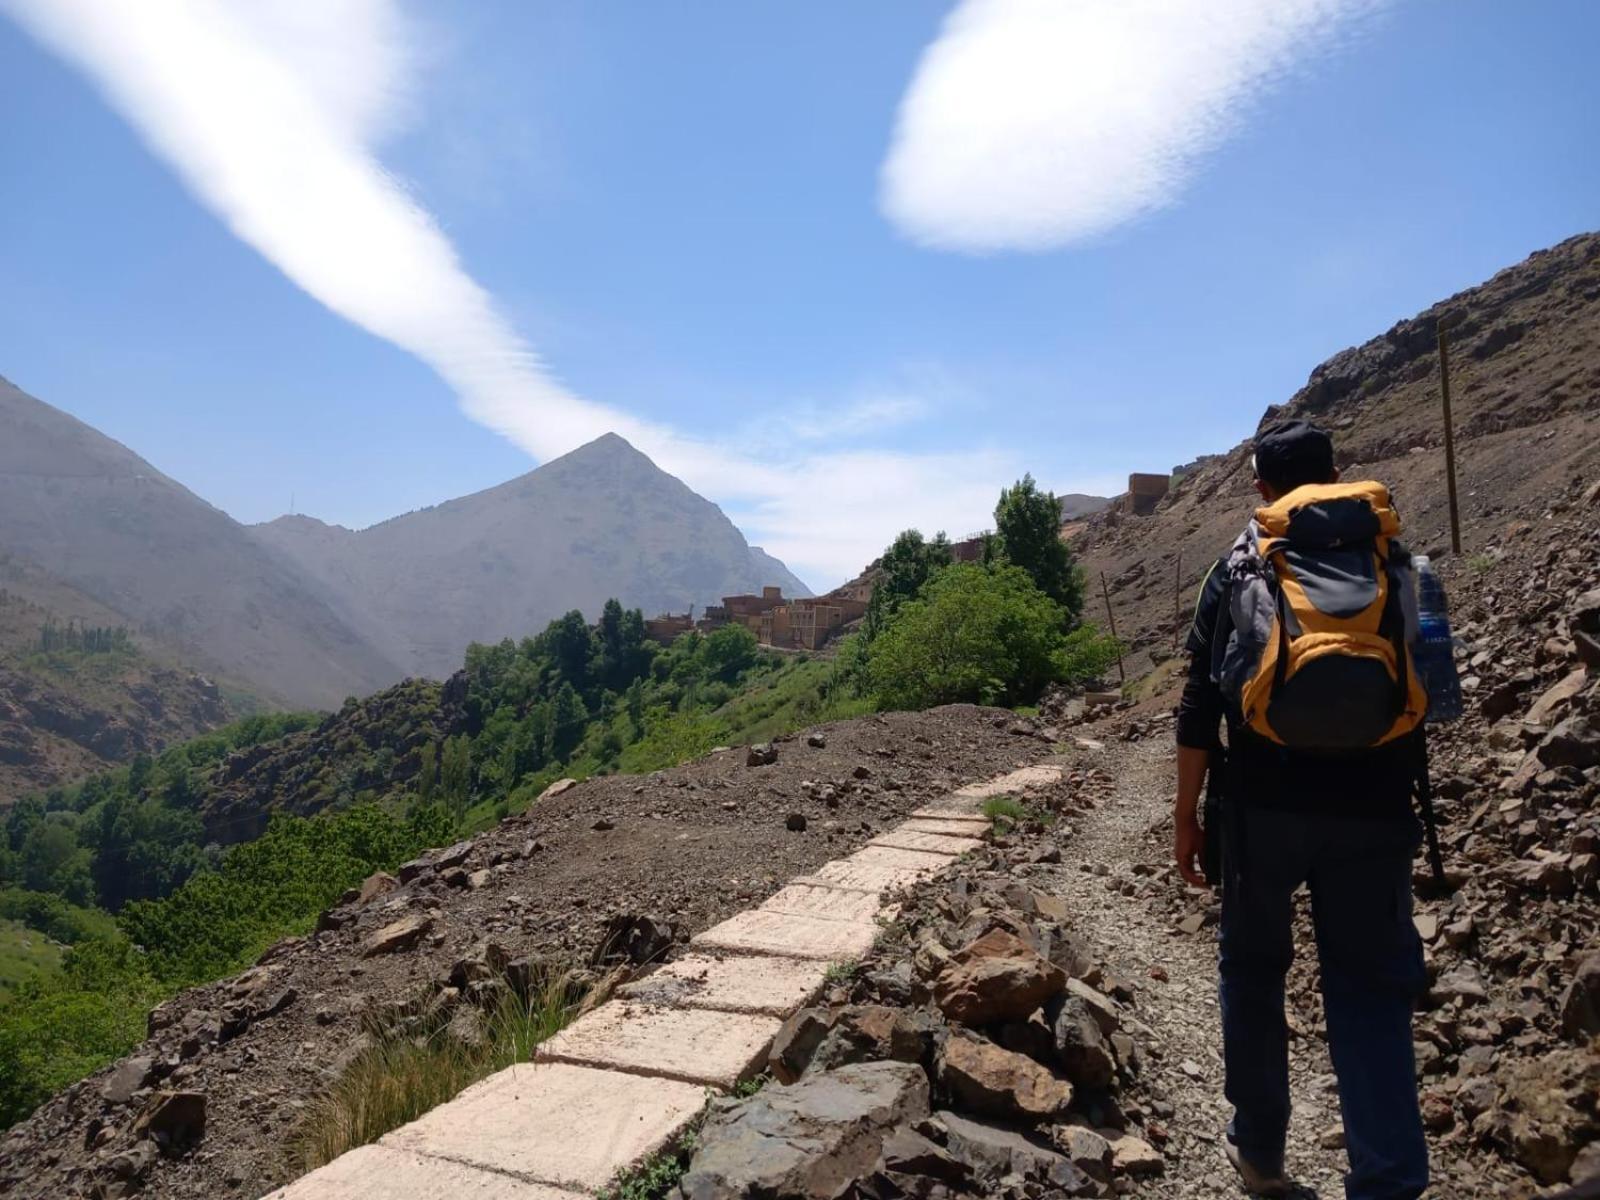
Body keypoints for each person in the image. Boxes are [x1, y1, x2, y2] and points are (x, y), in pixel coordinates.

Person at [1174, 419, 1429, 1200]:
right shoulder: (1396, 559)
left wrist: (1186, 818)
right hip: (1375, 810)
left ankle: (1260, 1157)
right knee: (1367, 986)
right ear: (1336, 473)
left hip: (1262, 811)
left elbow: (1197, 707)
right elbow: (1433, 690)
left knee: (1253, 972)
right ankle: (1387, 1178)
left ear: (1262, 487)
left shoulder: (1239, 563)